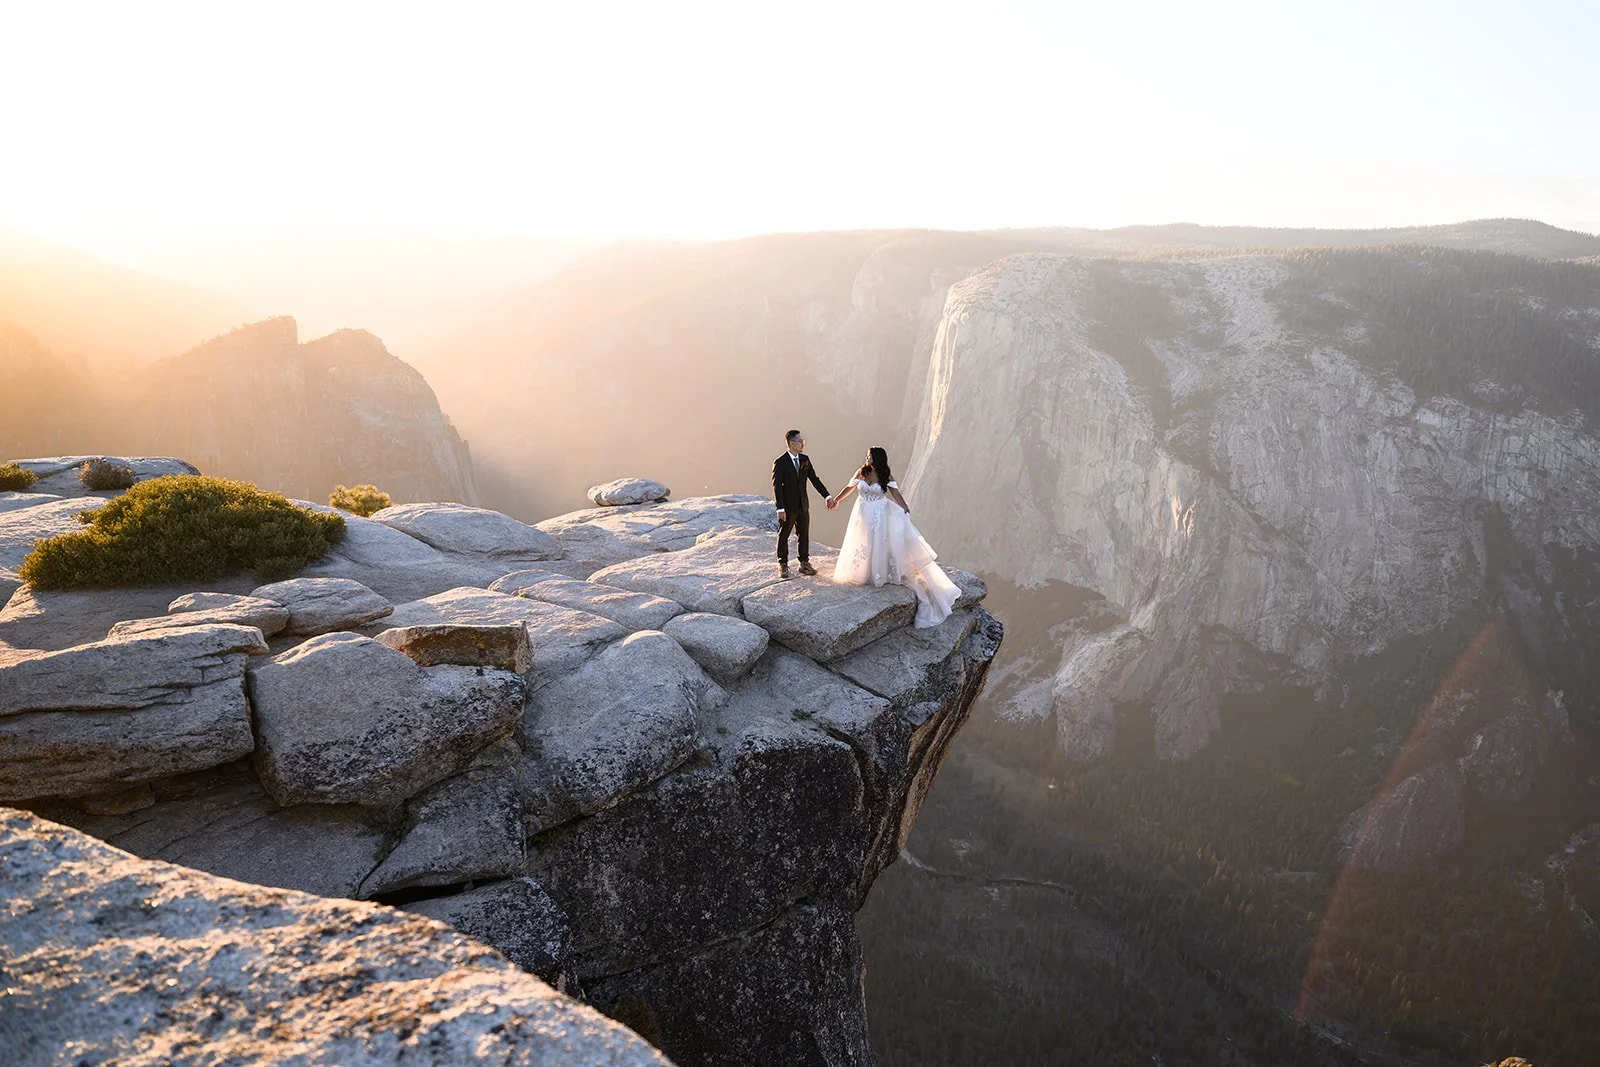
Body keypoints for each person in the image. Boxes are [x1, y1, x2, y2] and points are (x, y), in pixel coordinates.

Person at [826, 446, 960, 627]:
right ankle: (862, 572)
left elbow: (896, 493)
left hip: (879, 514)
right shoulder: (862, 471)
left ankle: (877, 573)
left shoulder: (885, 475)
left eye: (870, 456)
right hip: (862, 513)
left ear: (877, 458)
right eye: (867, 456)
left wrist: (905, 508)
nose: (867, 458)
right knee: (862, 541)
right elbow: (849, 488)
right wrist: (836, 500)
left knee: (877, 543)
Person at [772, 429, 831, 579]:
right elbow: (777, 486)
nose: (803, 443)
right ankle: (783, 564)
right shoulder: (781, 462)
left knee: (803, 534)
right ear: (792, 443)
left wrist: (827, 496)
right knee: (784, 534)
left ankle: (804, 563)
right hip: (788, 506)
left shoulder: (805, 459)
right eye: (800, 441)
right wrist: (780, 508)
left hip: (803, 505)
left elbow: (814, 479)